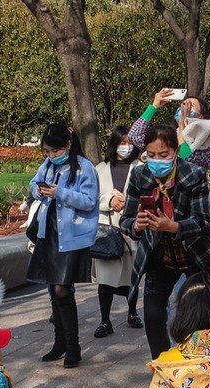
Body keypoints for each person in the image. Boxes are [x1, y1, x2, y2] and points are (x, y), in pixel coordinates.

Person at [120, 123, 210, 359]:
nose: (157, 161)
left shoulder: (193, 174)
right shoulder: (139, 174)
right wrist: (136, 225)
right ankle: (163, 369)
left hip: (195, 254)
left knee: (201, 315)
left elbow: (203, 223)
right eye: (151, 155)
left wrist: (173, 226)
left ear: (176, 152)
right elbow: (125, 219)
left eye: (163, 155)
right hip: (159, 256)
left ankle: (203, 364)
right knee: (153, 315)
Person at [27, 123, 98, 368]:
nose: (50, 156)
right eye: (46, 152)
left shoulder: (84, 167)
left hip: (72, 236)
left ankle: (73, 346)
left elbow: (89, 201)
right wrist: (38, 190)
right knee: (52, 290)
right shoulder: (47, 166)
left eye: (54, 151)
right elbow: (33, 185)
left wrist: (61, 193)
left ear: (67, 145)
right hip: (49, 234)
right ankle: (60, 343)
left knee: (62, 290)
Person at [93, 126, 143, 338]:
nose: (125, 147)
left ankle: (132, 313)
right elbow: (91, 197)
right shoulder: (100, 168)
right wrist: (109, 201)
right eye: (121, 143)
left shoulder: (140, 167)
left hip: (131, 228)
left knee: (132, 276)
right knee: (106, 279)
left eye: (129, 143)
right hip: (107, 230)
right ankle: (105, 320)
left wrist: (131, 203)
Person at [127, 89, 210, 171]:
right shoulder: (170, 135)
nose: (184, 107)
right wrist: (154, 106)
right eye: (183, 104)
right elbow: (134, 136)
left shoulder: (207, 143)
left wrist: (182, 124)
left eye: (190, 105)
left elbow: (186, 162)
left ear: (200, 116)